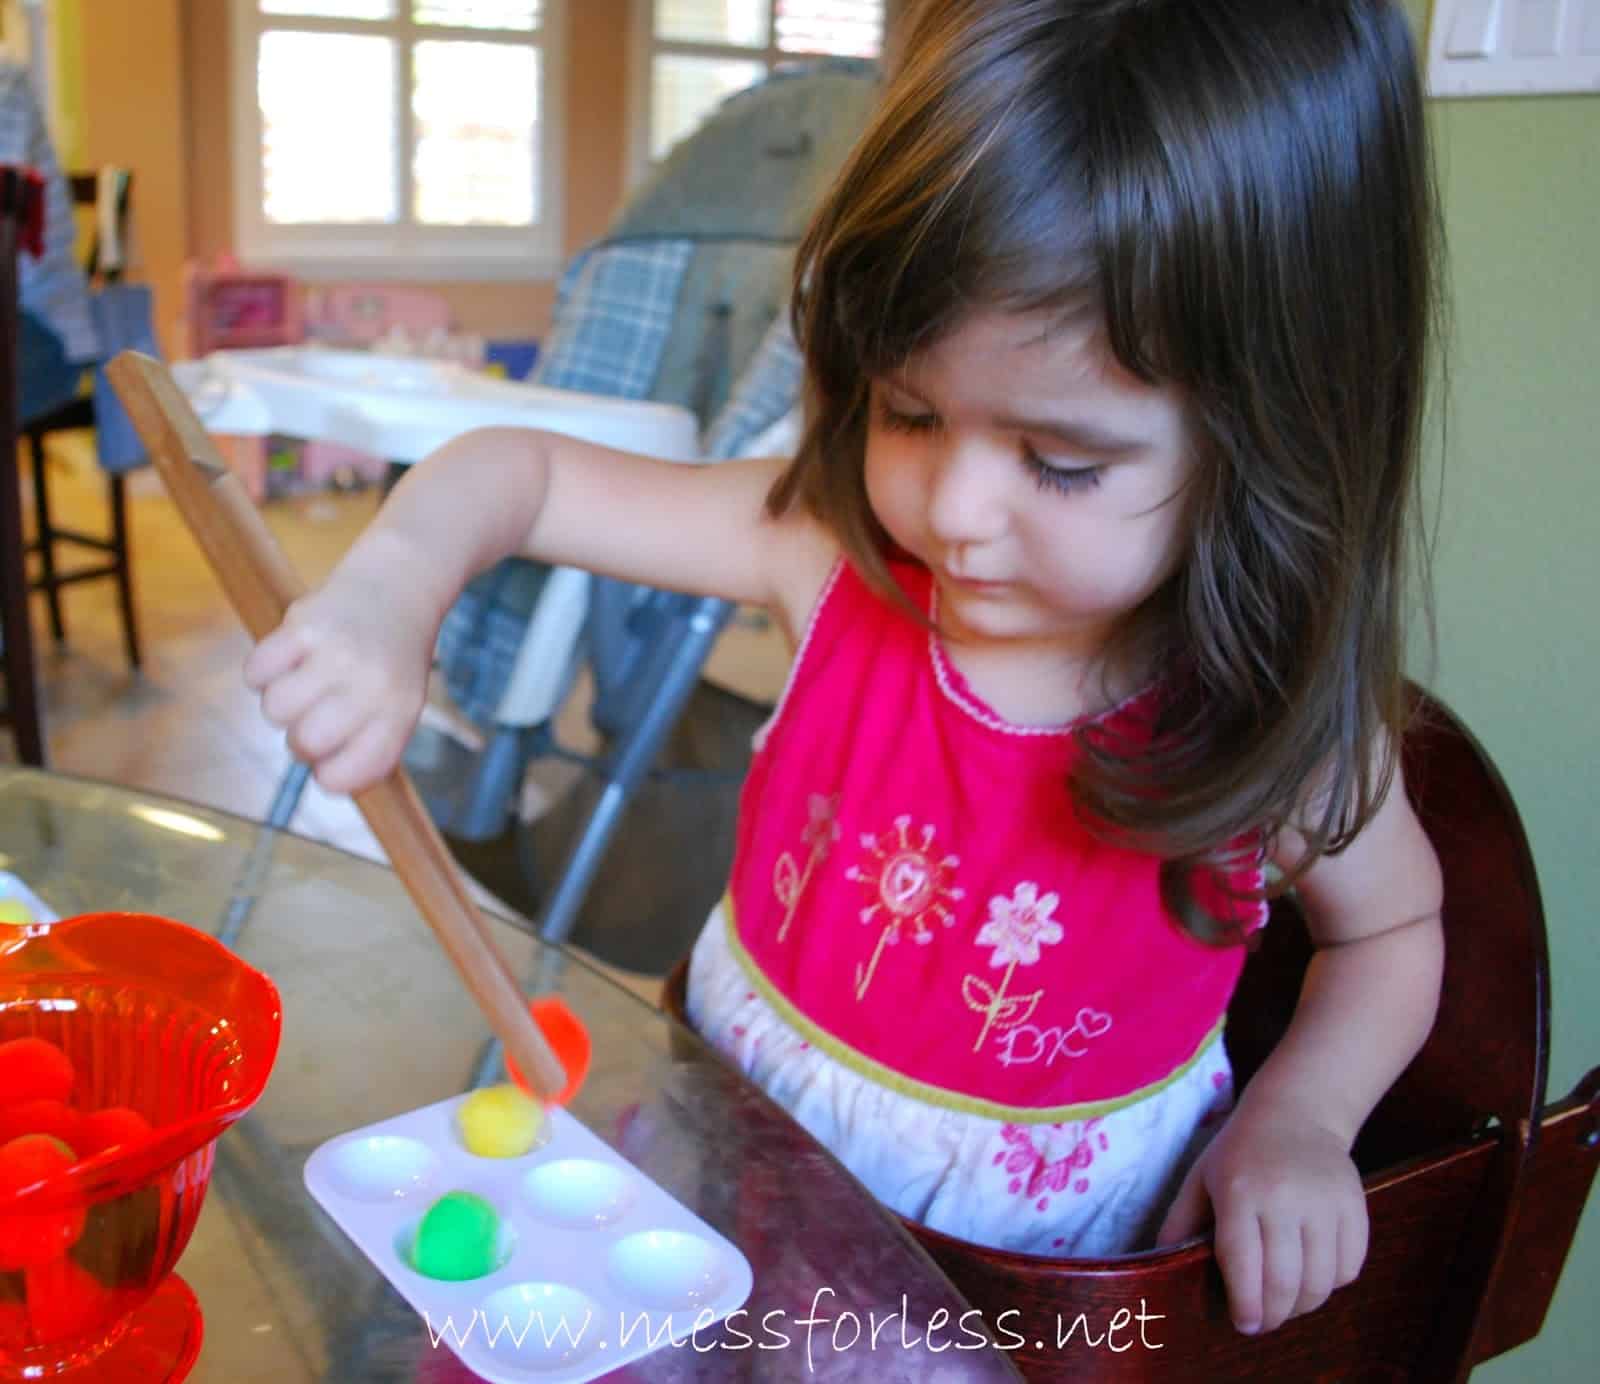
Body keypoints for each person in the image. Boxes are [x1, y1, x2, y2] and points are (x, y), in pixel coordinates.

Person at [246, 0, 1446, 1340]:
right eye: (908, 412)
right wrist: (390, 591)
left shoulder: (1278, 724)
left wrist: (1302, 1118)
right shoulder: (831, 555)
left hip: (1012, 1317)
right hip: (714, 1201)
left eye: (1062, 461)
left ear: (1275, 438)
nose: (957, 510)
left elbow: (1393, 928)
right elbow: (513, 472)